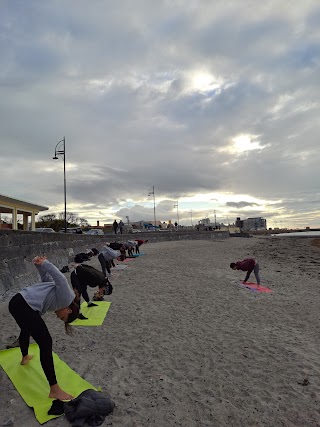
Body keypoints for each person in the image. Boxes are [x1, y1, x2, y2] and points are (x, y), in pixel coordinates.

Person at [8, 256, 79, 401]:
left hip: (17, 302)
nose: (57, 316)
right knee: (46, 342)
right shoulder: (66, 298)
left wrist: (39, 266)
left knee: (27, 329)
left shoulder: (58, 295)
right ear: (69, 310)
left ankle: (25, 357)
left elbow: (46, 278)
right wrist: (45, 263)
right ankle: (54, 389)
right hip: (23, 305)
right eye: (62, 317)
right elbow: (61, 278)